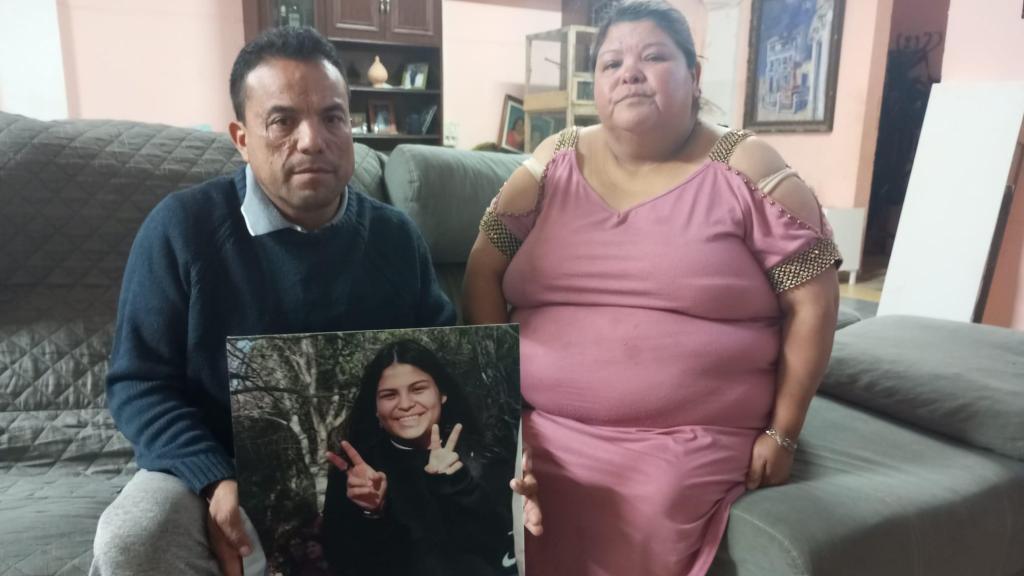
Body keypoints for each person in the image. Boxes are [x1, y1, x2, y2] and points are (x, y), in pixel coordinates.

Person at [463, 1, 841, 574]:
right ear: (596, 87)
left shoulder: (749, 168)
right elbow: (481, 271)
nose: (629, 72)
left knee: (648, 517)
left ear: (693, 75)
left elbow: (813, 299)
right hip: (541, 429)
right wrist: (499, 410)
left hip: (685, 441)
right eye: (612, 62)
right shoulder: (551, 162)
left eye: (654, 56)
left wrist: (783, 433)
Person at [90, 27, 454, 576]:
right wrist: (213, 479)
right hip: (210, 474)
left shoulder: (396, 240)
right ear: (241, 138)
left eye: (333, 117)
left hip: (368, 475)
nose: (312, 141)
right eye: (282, 121)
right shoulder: (182, 230)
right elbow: (139, 384)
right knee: (133, 541)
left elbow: (444, 359)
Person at [322, 339, 516, 576]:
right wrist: (372, 513)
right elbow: (343, 562)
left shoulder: (487, 457)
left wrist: (456, 485)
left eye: (418, 389)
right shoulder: (356, 477)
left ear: (442, 393)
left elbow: (504, 550)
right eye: (389, 395)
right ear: (375, 407)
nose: (405, 404)